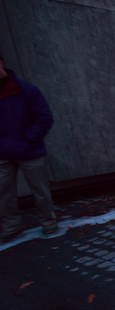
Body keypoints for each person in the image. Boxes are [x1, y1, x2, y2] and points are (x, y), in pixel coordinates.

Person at [0, 57, 57, 241]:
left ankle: (48, 221)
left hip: (29, 150)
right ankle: (10, 226)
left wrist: (28, 140)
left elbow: (44, 117)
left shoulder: (26, 89)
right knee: (3, 192)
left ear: (0, 63)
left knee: (40, 189)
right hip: (3, 152)